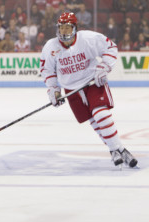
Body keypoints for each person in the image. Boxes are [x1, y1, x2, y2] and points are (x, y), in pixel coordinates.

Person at [40, 12, 138, 168]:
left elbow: (111, 47)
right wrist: (53, 90)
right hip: (71, 89)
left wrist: (103, 67)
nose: (64, 32)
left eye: (67, 28)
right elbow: (47, 70)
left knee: (101, 114)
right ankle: (119, 149)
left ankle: (114, 150)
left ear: (75, 28)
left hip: (92, 82)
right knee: (94, 122)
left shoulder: (88, 39)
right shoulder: (50, 47)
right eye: (61, 28)